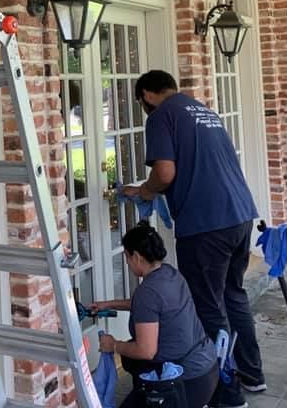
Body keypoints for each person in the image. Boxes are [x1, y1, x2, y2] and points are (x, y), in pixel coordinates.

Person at [125, 70, 265, 408]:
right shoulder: (204, 112)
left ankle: (228, 394)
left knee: (207, 306)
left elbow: (164, 173)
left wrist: (143, 191)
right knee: (233, 294)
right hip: (240, 214)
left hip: (206, 225)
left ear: (146, 95)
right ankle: (253, 374)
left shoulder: (161, 116)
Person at [90, 222, 219, 408]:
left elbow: (146, 351)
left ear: (136, 256)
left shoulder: (147, 292)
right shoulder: (170, 274)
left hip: (185, 381)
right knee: (130, 359)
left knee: (132, 354)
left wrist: (113, 345)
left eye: (126, 256)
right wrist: (109, 304)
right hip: (207, 368)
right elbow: (151, 307)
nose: (126, 262)